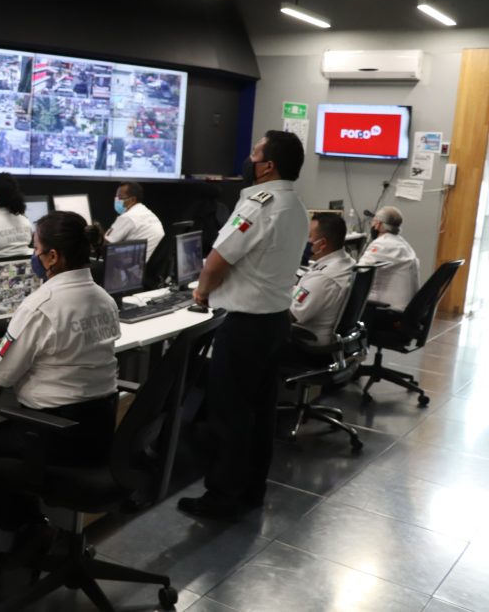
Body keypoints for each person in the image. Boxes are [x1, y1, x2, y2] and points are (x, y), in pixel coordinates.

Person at [0, 211, 120, 550]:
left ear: (52, 257)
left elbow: (0, 374)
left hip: (52, 435)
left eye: (36, 248)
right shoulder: (104, 299)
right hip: (97, 433)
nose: (34, 255)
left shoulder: (41, 305)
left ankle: (29, 528)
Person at [178, 130, 308, 520]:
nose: (248, 159)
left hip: (244, 327)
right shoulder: (296, 206)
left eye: (254, 153)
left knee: (229, 414)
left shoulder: (257, 205)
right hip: (274, 323)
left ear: (267, 166)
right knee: (261, 414)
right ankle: (252, 489)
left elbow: (216, 262)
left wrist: (201, 293)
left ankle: (221, 496)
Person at [290, 213, 356, 344]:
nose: (305, 240)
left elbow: (292, 316)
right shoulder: (347, 261)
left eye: (309, 236)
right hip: (322, 330)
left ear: (322, 243)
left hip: (306, 341)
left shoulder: (323, 278)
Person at [360, 206, 419, 312]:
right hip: (409, 309)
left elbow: (359, 271)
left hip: (390, 310)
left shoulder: (381, 244)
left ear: (378, 224)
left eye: (372, 222)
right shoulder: (402, 243)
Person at [105, 181, 165, 262]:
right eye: (116, 197)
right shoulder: (147, 213)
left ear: (133, 199)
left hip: (132, 266)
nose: (117, 200)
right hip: (151, 265)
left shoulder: (128, 217)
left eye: (120, 197)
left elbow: (106, 247)